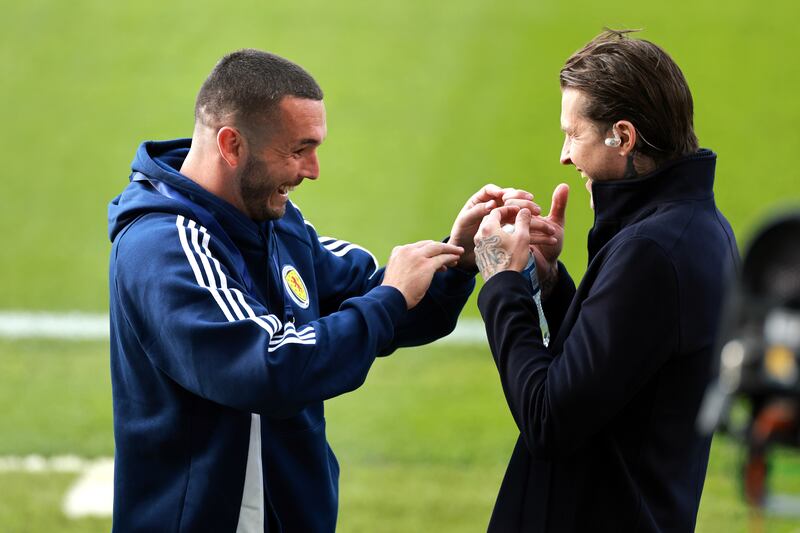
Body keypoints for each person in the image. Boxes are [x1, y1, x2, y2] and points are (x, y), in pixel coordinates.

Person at [107, 49, 541, 532]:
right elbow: (268, 370)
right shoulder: (164, 249)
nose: (313, 169)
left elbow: (385, 303)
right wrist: (389, 297)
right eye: (298, 149)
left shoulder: (276, 224)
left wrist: (457, 256)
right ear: (231, 145)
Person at [473, 30, 739, 532]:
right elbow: (616, 372)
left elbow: (548, 418)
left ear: (623, 135)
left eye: (573, 134)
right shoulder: (691, 227)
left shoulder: (653, 251)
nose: (564, 156)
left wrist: (501, 283)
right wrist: (550, 284)